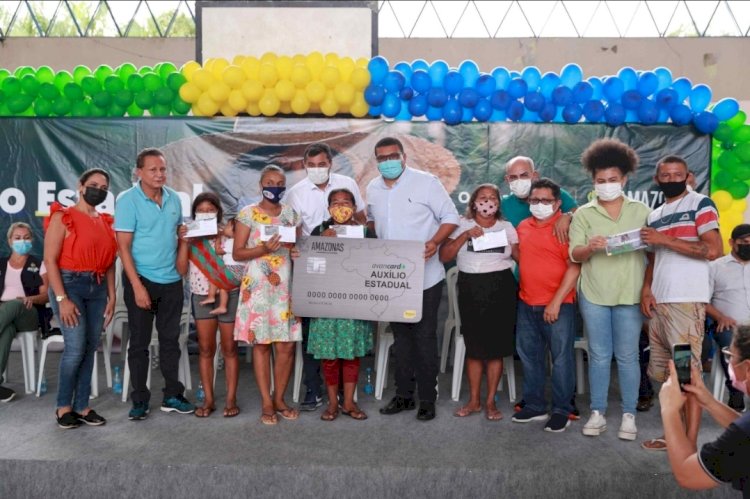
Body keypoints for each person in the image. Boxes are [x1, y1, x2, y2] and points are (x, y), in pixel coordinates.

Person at [367, 136, 459, 421]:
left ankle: (427, 399)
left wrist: (434, 242)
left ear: (404, 157)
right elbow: (372, 220)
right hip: (392, 279)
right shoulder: (372, 188)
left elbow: (451, 217)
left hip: (425, 275)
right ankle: (404, 395)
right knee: (402, 339)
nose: (387, 162)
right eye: (381, 158)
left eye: (392, 156)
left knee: (424, 338)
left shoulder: (426, 182)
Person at [568, 138, 652, 441]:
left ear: (625, 179)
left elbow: (653, 251)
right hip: (594, 294)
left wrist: (646, 289)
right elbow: (574, 255)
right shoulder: (584, 214)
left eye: (613, 180)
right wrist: (589, 247)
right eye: (601, 181)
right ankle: (598, 411)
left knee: (628, 356)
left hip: (629, 293)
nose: (607, 185)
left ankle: (629, 414)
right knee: (600, 355)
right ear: (593, 181)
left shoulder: (641, 210)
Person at [640, 154, 723, 451]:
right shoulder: (655, 214)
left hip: (686, 304)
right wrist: (647, 289)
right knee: (665, 378)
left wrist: (664, 239)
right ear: (657, 179)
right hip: (660, 305)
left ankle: (688, 445)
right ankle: (672, 436)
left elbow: (713, 249)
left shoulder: (700, 204)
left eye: (678, 174)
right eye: (666, 174)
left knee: (687, 377)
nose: (672, 179)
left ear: (688, 176)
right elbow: (653, 258)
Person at [115, 148, 195, 420]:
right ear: (138, 172)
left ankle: (172, 395)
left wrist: (182, 236)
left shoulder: (174, 199)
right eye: (153, 169)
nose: (159, 174)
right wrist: (137, 287)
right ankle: (139, 400)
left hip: (172, 280)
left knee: (170, 341)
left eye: (162, 169)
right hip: (142, 279)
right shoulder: (127, 200)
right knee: (139, 343)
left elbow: (173, 236)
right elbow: (123, 248)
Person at [284, 142, 365, 412]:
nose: (317, 169)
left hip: (350, 271)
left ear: (331, 163)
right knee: (312, 333)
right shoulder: (296, 193)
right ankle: (313, 388)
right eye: (311, 165)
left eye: (322, 164)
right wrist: (298, 249)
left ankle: (345, 393)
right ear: (305, 165)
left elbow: (362, 218)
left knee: (348, 333)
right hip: (314, 270)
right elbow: (293, 231)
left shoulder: (347, 183)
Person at [501, 155, 579, 417]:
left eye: (546, 201)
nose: (539, 204)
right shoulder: (522, 225)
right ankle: (534, 405)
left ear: (558, 203)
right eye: (535, 201)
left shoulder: (566, 229)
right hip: (526, 301)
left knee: (561, 359)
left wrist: (556, 301)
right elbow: (515, 249)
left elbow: (575, 266)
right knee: (530, 358)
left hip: (558, 304)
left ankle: (562, 408)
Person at [439, 183, 518, 421]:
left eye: (492, 198)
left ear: (498, 204)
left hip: (501, 287)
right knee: (474, 347)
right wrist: (465, 235)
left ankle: (490, 402)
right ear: (473, 202)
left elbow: (519, 256)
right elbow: (445, 256)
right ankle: (473, 401)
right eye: (483, 197)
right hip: (471, 287)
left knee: (495, 348)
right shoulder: (462, 225)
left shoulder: (506, 227)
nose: (488, 201)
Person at [44, 169, 116, 428]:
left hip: (97, 290)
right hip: (69, 284)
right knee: (75, 349)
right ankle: (63, 407)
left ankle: (82, 407)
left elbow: (110, 263)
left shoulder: (106, 221)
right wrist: (62, 299)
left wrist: (112, 295)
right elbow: (50, 260)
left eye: (104, 186)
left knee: (89, 348)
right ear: (81, 186)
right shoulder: (63, 217)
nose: (99, 189)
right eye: (94, 184)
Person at [233, 164, 302, 425]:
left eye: (279, 182)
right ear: (260, 186)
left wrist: (296, 252)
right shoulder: (247, 214)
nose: (275, 187)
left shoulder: (291, 215)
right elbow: (238, 253)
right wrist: (261, 250)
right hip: (258, 289)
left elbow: (295, 247)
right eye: (270, 182)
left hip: (286, 287)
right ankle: (265, 401)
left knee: (286, 346)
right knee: (261, 345)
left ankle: (279, 398)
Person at [306, 188, 374, 421]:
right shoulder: (319, 231)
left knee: (352, 354)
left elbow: (374, 264)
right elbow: (309, 267)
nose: (341, 206)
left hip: (354, 303)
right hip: (326, 303)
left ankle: (349, 403)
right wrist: (319, 244)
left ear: (354, 208)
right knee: (330, 356)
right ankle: (333, 403)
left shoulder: (366, 233)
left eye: (346, 202)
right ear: (328, 209)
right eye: (335, 202)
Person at [659, 325, 750, 497]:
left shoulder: (743, 435)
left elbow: (688, 475)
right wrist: (709, 402)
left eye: (730, 356)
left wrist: (669, 410)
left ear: (748, 368)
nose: (729, 362)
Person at [176, 193, 241, 418]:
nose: (205, 213)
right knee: (205, 349)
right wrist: (185, 243)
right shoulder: (191, 237)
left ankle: (231, 398)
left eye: (209, 209)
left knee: (230, 349)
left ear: (218, 212)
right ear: (194, 214)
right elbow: (182, 270)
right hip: (200, 296)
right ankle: (210, 399)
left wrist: (224, 236)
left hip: (229, 295)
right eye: (200, 210)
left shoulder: (227, 234)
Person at [0, 223, 49, 403]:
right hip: (5, 313)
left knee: (15, 304)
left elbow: (46, 296)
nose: (22, 241)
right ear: (9, 241)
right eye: (18, 238)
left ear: (32, 240)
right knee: (6, 331)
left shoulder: (39, 264)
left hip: (29, 312)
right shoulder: (1, 263)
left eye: (26, 237)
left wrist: (31, 299)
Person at [705, 223, 750, 411]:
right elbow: (701, 301)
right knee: (731, 343)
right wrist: (721, 316)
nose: (748, 245)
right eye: (744, 242)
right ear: (732, 242)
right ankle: (736, 393)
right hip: (727, 325)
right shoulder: (715, 267)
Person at [501, 156, 577, 241]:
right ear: (507, 179)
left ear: (534, 175)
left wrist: (568, 215)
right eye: (513, 177)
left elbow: (577, 211)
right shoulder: (503, 204)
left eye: (524, 175)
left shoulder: (551, 192)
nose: (519, 181)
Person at [196, 218, 242, 317]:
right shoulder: (242, 242)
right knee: (222, 286)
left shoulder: (232, 242)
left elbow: (218, 251)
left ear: (233, 230)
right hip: (239, 273)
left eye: (228, 225)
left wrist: (218, 238)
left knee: (214, 276)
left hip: (232, 270)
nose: (225, 227)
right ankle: (222, 306)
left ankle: (211, 296)